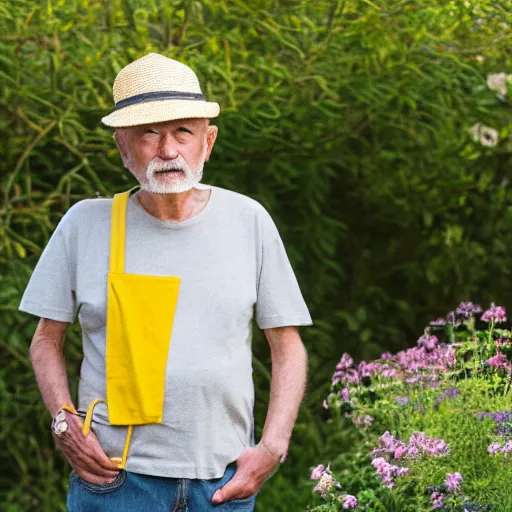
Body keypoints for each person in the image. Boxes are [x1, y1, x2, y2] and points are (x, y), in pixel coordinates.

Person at [19, 53, 312, 511]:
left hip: (222, 481)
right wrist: (64, 424)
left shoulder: (248, 220)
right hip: (116, 481)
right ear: (123, 147)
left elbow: (287, 345)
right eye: (149, 134)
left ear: (208, 142)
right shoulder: (85, 225)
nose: (168, 151)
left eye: (183, 132)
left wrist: (272, 447)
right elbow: (45, 341)